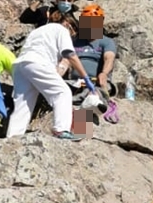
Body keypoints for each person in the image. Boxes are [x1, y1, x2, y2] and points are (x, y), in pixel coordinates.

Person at [7, 10, 99, 140]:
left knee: (24, 103)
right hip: (39, 62)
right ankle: (62, 130)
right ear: (67, 23)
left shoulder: (38, 30)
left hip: (21, 64)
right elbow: (69, 54)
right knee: (63, 93)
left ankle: (13, 137)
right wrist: (85, 77)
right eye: (73, 31)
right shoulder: (61, 29)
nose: (72, 35)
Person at [60, 4, 118, 102]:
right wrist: (58, 73)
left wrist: (104, 73)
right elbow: (66, 61)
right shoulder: (75, 41)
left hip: (96, 82)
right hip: (76, 82)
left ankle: (88, 99)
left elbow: (109, 58)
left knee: (99, 91)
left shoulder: (106, 41)